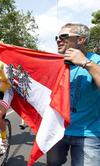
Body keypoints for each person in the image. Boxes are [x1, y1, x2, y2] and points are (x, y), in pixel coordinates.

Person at [47, 23, 100, 166]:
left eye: (64, 36)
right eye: (56, 37)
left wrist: (85, 63)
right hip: (58, 130)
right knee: (52, 163)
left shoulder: (96, 61)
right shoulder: (55, 64)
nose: (58, 40)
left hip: (88, 134)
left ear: (81, 40)